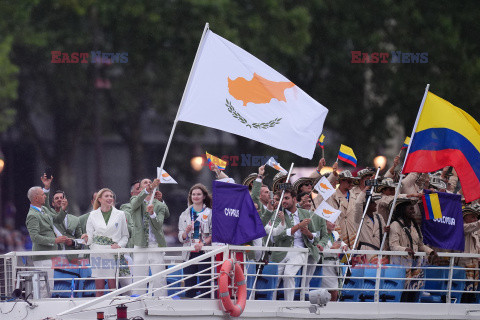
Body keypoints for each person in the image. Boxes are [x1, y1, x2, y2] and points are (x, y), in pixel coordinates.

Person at [270, 189, 328, 301]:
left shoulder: (306, 213)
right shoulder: (277, 214)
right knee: (274, 278)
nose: (283, 202)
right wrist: (297, 227)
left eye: (286, 198)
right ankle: (271, 305)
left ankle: (289, 305)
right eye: (282, 199)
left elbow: (315, 237)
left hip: (300, 250)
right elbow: (276, 236)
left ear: (294, 199)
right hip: (280, 251)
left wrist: (308, 234)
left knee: (288, 274)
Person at [25, 175, 69, 298]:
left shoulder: (43, 209)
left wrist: (63, 210)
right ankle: (42, 312)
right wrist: (55, 240)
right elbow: (35, 237)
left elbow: (57, 219)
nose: (45, 196)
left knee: (49, 285)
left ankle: (45, 311)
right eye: (42, 194)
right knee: (44, 286)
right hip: (42, 256)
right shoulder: (32, 215)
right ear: (36, 198)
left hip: (49, 255)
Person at [127, 178, 170, 297]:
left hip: (155, 244)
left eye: (150, 182)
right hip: (140, 244)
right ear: (140, 189)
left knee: (159, 276)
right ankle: (137, 300)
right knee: (139, 275)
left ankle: (161, 300)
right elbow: (135, 204)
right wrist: (149, 189)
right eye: (145, 183)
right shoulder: (135, 200)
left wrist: (152, 214)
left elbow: (159, 224)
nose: (148, 184)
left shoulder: (159, 205)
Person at [388, 198, 437, 302]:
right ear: (402, 209)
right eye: (410, 209)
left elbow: (420, 245)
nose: (413, 211)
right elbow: (393, 245)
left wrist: (430, 251)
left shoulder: (415, 225)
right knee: (402, 294)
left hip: (415, 266)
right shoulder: (395, 225)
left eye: (413, 209)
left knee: (413, 294)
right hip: (401, 265)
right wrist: (405, 249)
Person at [85, 188, 129, 297]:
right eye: (107, 196)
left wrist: (119, 245)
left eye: (111, 196)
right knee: (99, 288)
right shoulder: (92, 215)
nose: (110, 198)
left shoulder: (120, 214)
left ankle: (113, 310)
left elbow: (125, 235)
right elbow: (89, 238)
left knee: (112, 287)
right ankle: (99, 310)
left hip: (112, 252)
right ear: (99, 199)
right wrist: (85, 238)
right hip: (97, 252)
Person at [178, 183, 213, 298]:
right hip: (189, 252)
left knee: (205, 284)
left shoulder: (210, 213)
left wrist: (203, 244)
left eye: (198, 194)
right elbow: (181, 236)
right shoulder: (184, 214)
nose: (196, 196)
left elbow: (214, 233)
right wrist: (186, 232)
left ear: (204, 196)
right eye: (193, 194)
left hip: (205, 252)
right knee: (189, 284)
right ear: (190, 196)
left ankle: (206, 310)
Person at [320, 220, 347, 301]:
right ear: (324, 223)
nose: (334, 224)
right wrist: (332, 249)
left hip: (335, 266)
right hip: (324, 266)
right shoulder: (319, 234)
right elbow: (319, 252)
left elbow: (341, 243)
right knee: (327, 293)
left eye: (334, 222)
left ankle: (331, 310)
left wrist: (344, 246)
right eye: (331, 222)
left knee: (334, 292)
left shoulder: (335, 233)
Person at [458, 206, 480, 303]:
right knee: (463, 290)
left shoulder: (474, 230)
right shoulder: (461, 227)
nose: (475, 219)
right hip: (464, 264)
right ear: (465, 217)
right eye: (472, 217)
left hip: (474, 264)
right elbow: (475, 225)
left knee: (472, 291)